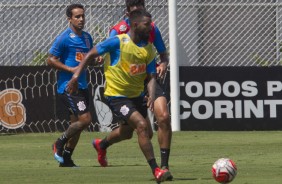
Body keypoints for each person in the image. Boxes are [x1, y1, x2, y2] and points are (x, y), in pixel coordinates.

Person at [67, 9, 170, 182]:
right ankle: (157, 170)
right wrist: (76, 76)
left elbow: (151, 76)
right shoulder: (118, 41)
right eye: (147, 25)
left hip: (137, 95)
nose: (150, 28)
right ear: (135, 25)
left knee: (133, 132)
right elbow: (91, 53)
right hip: (117, 96)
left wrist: (150, 96)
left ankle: (102, 144)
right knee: (142, 126)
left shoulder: (148, 49)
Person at [93, 0, 173, 180]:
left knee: (164, 117)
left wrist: (164, 65)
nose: (138, 11)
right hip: (127, 84)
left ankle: (164, 166)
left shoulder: (151, 28)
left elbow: (163, 54)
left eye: (141, 8)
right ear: (128, 13)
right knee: (131, 131)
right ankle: (103, 144)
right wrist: (100, 58)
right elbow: (107, 50)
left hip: (149, 77)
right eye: (134, 9)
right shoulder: (118, 30)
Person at [47, 3, 94, 167]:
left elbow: (87, 60)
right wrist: (69, 69)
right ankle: (58, 144)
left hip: (82, 86)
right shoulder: (64, 38)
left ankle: (66, 159)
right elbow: (50, 59)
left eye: (83, 16)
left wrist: (96, 60)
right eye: (77, 16)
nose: (81, 19)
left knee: (77, 125)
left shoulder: (88, 38)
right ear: (69, 19)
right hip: (68, 87)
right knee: (85, 119)